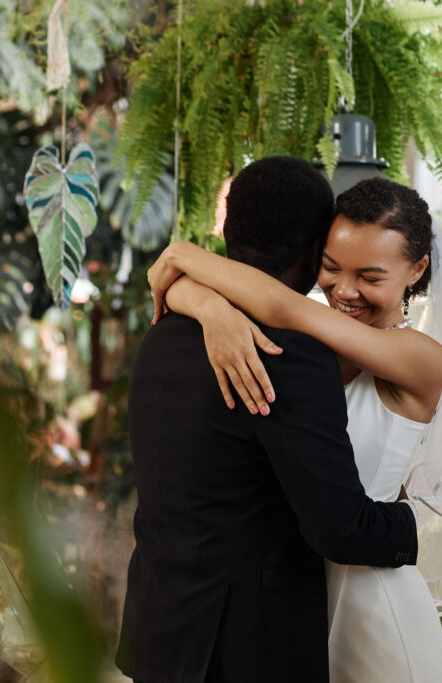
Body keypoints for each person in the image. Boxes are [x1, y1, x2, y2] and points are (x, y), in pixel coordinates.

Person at [149, 176, 442, 682]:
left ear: (416, 270)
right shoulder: (311, 347)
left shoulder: (421, 358)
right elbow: (272, 306)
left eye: (370, 276)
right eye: (330, 267)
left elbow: (281, 304)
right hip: (301, 602)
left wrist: (182, 260)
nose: (344, 291)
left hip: (374, 599)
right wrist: (207, 305)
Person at [115, 157, 421, 683]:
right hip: (247, 648)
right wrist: (421, 524)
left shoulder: (163, 330)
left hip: (157, 632)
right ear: (310, 252)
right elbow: (341, 529)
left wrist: (191, 279)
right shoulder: (292, 355)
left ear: (230, 230)